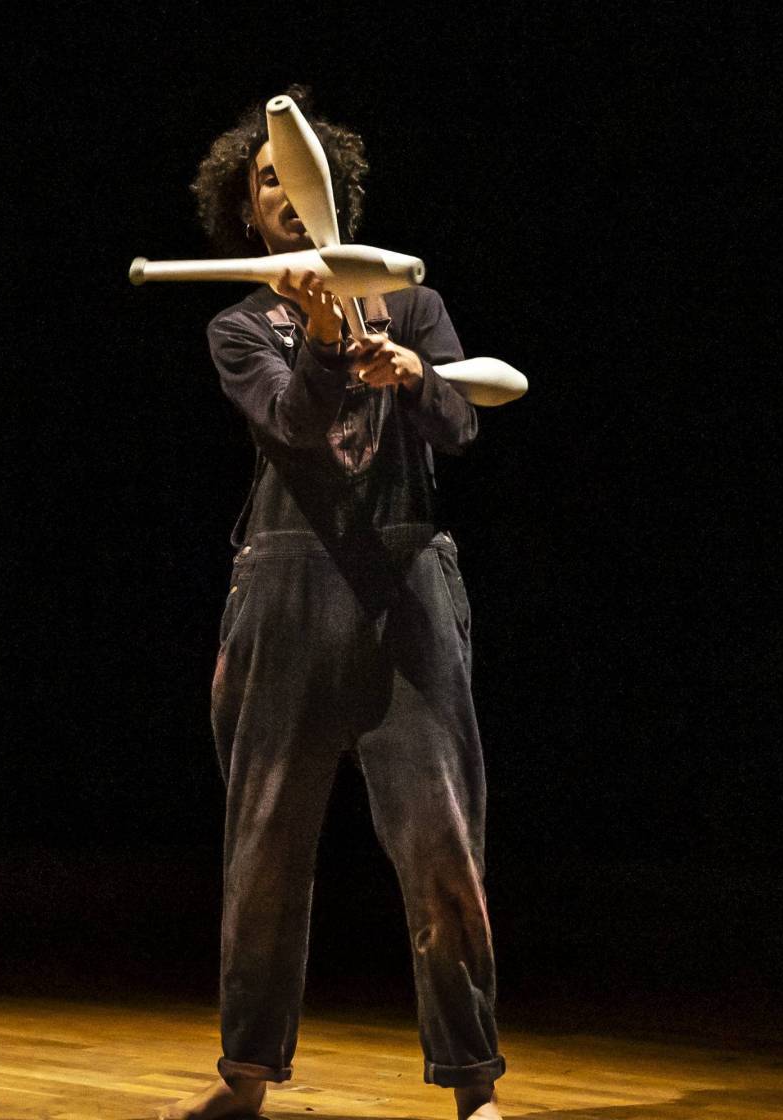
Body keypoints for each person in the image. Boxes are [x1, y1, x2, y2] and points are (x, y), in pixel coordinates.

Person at [158, 89, 505, 1120]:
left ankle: (473, 1085)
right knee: (265, 846)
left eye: (292, 173)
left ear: (331, 196)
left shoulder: (416, 303)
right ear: (249, 212)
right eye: (263, 180)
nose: (282, 191)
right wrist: (318, 338)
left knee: (443, 844)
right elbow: (293, 426)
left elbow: (461, 426)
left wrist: (410, 373)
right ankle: (248, 1076)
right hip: (288, 590)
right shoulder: (237, 326)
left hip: (405, 591)